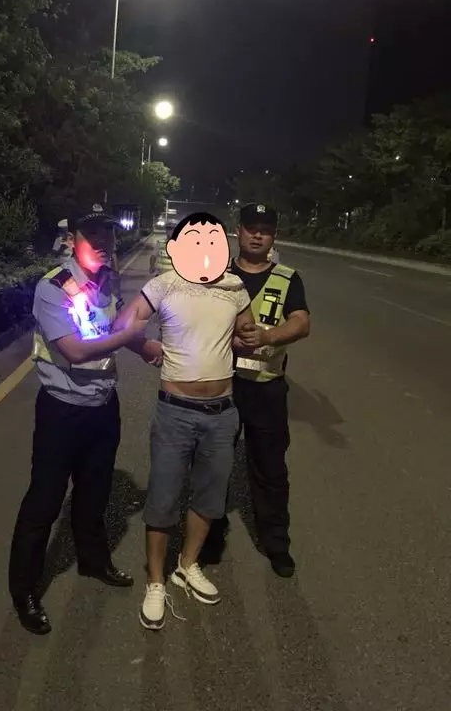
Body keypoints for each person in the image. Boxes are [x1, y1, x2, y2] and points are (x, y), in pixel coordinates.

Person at [9, 205, 160, 635]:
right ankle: (24, 590)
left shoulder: (106, 280)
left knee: (95, 494)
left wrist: (145, 348)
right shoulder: (52, 287)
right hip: (62, 411)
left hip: (102, 406)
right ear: (73, 240)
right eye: (93, 234)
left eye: (108, 233)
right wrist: (129, 337)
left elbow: (113, 326)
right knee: (44, 502)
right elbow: (74, 351)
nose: (104, 242)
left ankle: (93, 562)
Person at [116, 212, 255, 631]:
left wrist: (253, 339)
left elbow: (246, 333)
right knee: (162, 499)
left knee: (209, 499)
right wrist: (143, 346)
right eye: (195, 241)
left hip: (222, 413)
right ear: (176, 249)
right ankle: (155, 581)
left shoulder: (235, 288)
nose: (205, 250)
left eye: (212, 241)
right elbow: (124, 323)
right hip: (175, 412)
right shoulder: (165, 284)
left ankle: (187, 564)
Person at [208, 203, 310, 578]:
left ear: (274, 236)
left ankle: (276, 544)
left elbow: (301, 323)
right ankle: (209, 536)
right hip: (221, 386)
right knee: (213, 465)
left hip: (266, 389)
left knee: (270, 470)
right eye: (251, 227)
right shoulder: (216, 275)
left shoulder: (288, 278)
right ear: (238, 231)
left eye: (265, 229)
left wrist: (267, 337)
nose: (257, 234)